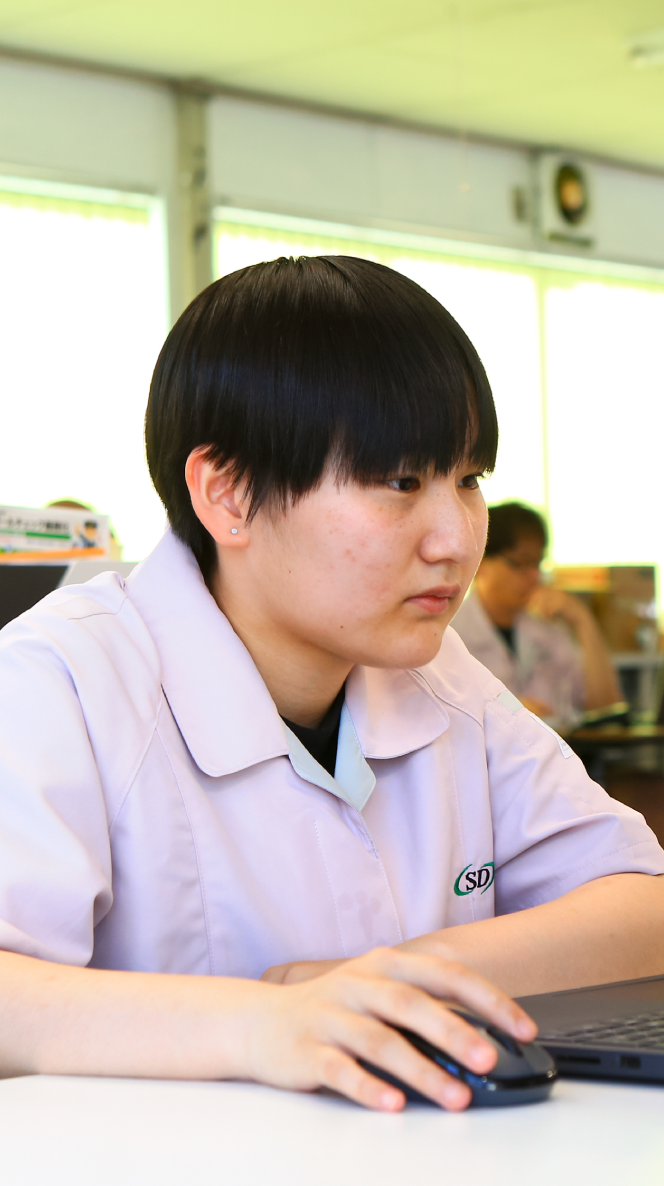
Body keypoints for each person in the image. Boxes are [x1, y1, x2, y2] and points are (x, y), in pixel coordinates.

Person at [0, 257, 662, 1112]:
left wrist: (386, 981)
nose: (456, 539)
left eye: (468, 481)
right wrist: (264, 1024)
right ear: (228, 494)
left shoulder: (441, 681)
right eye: (400, 482)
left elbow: (641, 906)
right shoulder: (59, 681)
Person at [453, 502, 622, 730]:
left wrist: (584, 621)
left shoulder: (549, 630)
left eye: (537, 563)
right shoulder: (451, 634)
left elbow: (606, 708)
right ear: (480, 562)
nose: (534, 576)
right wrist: (509, 711)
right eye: (519, 563)